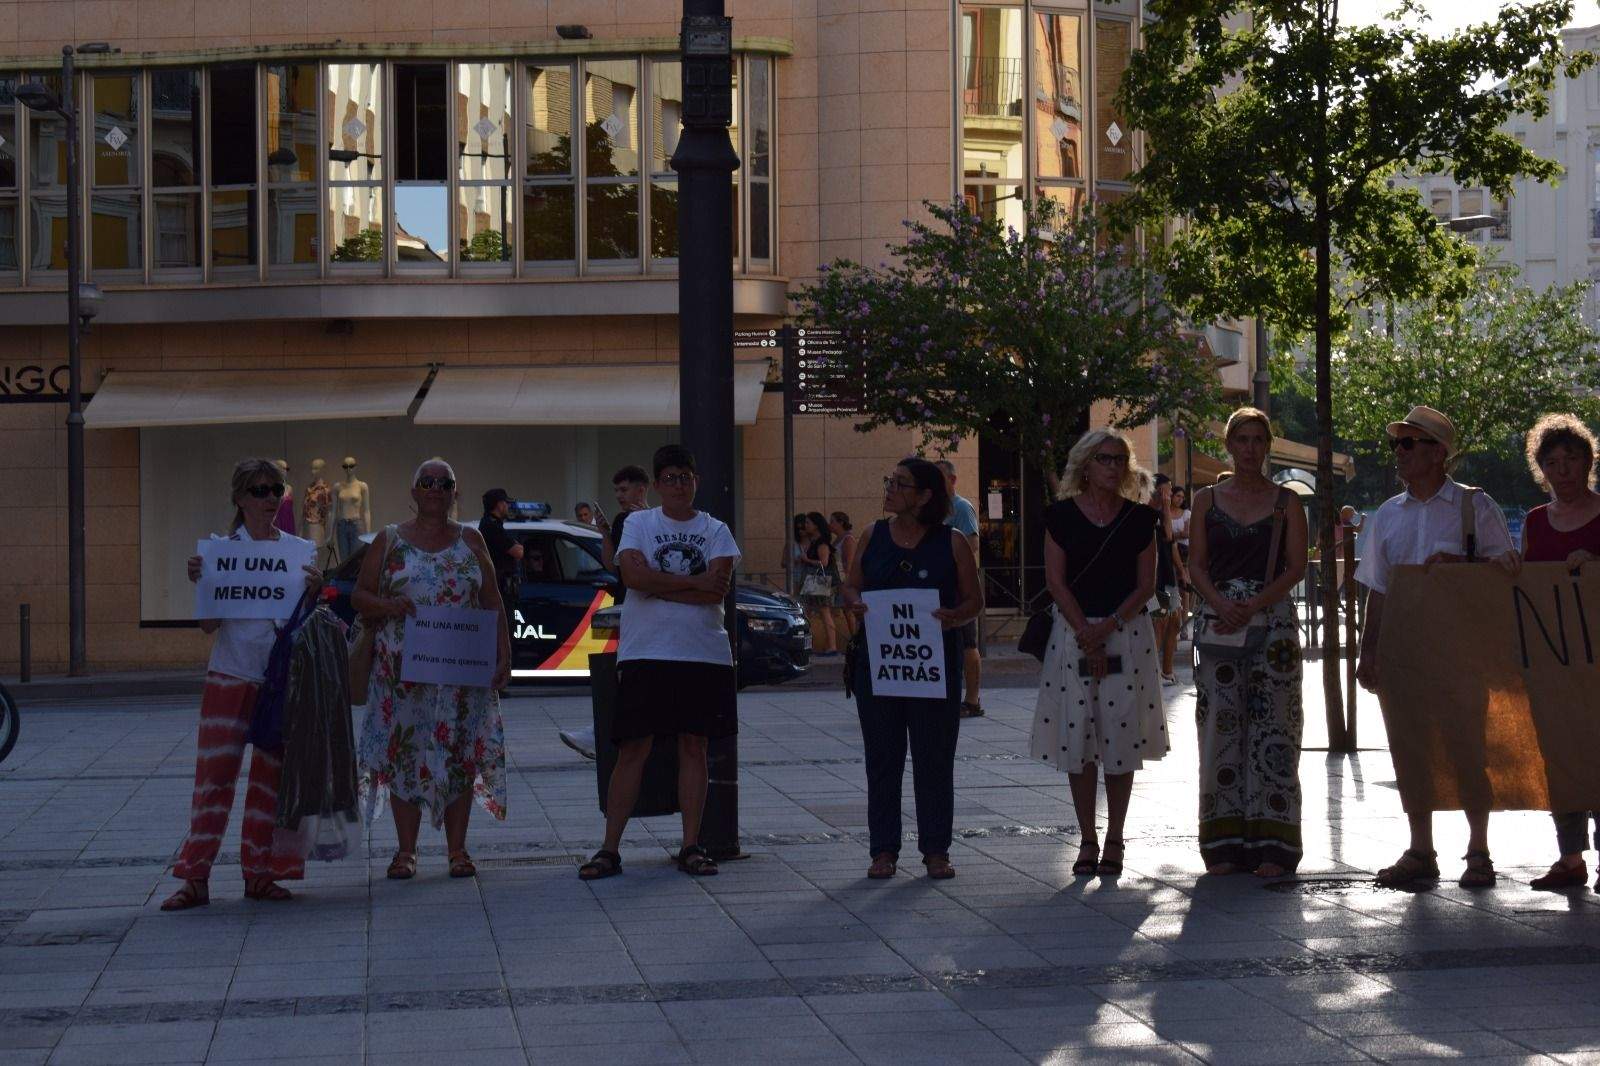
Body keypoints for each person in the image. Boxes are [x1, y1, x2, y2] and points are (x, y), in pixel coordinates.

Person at [1355, 405, 1518, 888]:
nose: (1399, 453)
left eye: (1409, 443)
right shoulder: (1387, 514)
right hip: (1405, 650)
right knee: (1411, 746)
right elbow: (1377, 588)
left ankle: (1479, 850)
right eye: (1397, 444)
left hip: (1461, 650)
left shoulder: (1474, 506)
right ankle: (1420, 849)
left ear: (1438, 453)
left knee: (1470, 747)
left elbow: (1506, 567)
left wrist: (1461, 570)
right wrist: (1368, 651)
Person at [162, 459, 322, 911]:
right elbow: (208, 624)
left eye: (276, 490)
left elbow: (309, 619)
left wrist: (316, 589)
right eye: (259, 491)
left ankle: (261, 873)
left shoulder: (298, 550)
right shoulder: (219, 552)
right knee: (213, 780)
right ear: (240, 498)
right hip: (230, 674)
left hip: (279, 680)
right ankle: (195, 876)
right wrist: (203, 580)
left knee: (270, 783)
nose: (269, 499)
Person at [579, 445, 741, 880]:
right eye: (669, 478)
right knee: (632, 749)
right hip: (646, 651)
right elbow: (633, 578)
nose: (678, 485)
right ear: (657, 484)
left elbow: (716, 591)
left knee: (695, 746)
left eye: (685, 477)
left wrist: (658, 585)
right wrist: (691, 582)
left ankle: (691, 844)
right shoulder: (638, 523)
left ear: (696, 481)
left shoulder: (717, 530)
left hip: (702, 653)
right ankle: (609, 848)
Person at [354, 460, 511, 881]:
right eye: (428, 482)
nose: (436, 489)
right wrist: (390, 607)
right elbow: (360, 596)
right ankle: (406, 852)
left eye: (445, 483)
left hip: (461, 673)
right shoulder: (389, 540)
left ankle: (457, 850)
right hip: (402, 675)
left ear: (456, 492)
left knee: (459, 756)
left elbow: (493, 601)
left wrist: (504, 656)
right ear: (414, 489)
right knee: (405, 756)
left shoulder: (472, 539)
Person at [1029, 430, 1167, 879]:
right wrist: (1085, 628)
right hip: (1074, 634)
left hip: (1125, 633)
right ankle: (1087, 836)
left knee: (1120, 737)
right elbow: (1056, 580)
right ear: (1085, 464)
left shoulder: (1141, 520)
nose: (1113, 467)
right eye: (1104, 458)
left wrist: (1109, 626)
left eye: (1120, 459)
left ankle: (1115, 838)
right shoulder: (1059, 516)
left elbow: (1147, 585)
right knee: (1079, 735)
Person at [844, 458, 983, 880]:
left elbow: (974, 600)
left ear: (924, 496)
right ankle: (883, 851)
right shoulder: (872, 534)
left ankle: (936, 850)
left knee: (934, 760)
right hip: (880, 667)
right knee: (882, 759)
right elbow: (850, 584)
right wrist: (852, 601)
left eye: (900, 484)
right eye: (890, 481)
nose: (889, 489)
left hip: (933, 669)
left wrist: (954, 617)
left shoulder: (952, 541)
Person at [1188, 409, 1309, 878]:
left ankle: (1274, 844)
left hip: (1274, 623)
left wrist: (1256, 601)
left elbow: (1296, 567)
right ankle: (1223, 842)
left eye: (1259, 440)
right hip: (1219, 621)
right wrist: (1220, 602)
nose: (1250, 449)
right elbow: (1196, 564)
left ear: (1268, 445)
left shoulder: (1287, 502)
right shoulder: (1205, 500)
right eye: (1242, 439)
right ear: (1229, 444)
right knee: (1220, 725)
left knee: (1276, 727)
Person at [1518, 414, 1600, 893]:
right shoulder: (1533, 522)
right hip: (1552, 662)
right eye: (1553, 462)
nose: (1563, 470)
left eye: (1571, 460)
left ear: (1589, 461)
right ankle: (1570, 858)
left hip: (1596, 661)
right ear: (1541, 469)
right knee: (1560, 757)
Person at [563, 465, 652, 760]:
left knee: (629, 671)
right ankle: (608, 732)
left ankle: (604, 732)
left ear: (642, 489)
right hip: (639, 605)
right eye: (616, 491)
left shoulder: (638, 520)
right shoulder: (632, 520)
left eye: (624, 490)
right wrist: (605, 533)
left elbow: (619, 568)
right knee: (631, 671)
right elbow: (614, 566)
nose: (619, 496)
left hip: (639, 607)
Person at [936, 460, 984, 718]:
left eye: (939, 477)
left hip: (959, 584)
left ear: (952, 480)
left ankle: (972, 699)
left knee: (967, 641)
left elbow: (973, 543)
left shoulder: (961, 508)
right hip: (940, 582)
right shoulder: (933, 508)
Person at [479, 488, 524, 696]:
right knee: (499, 636)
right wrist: (517, 543)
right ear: (498, 504)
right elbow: (518, 552)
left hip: (502, 588)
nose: (508, 506)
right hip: (498, 589)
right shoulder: (491, 527)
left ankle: (498, 679)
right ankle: (497, 680)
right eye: (505, 503)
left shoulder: (494, 526)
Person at [1150, 474, 1187, 685]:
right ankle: (1152, 671)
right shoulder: (1149, 513)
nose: (1171, 494)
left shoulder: (1163, 514)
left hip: (1168, 574)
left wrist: (1181, 570)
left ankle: (1167, 671)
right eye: (1168, 489)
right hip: (1156, 578)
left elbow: (1171, 542)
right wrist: (1164, 506)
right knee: (1160, 622)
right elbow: (1167, 533)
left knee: (1174, 621)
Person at [797, 512, 841, 656]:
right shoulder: (815, 541)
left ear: (816, 525)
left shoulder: (822, 543)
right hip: (814, 580)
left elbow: (824, 562)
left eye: (809, 523)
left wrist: (807, 560)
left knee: (824, 611)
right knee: (810, 611)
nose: (806, 525)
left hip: (819, 580)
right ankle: (814, 645)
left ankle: (832, 646)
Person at [829, 511, 858, 636]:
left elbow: (850, 563)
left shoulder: (848, 539)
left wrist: (846, 583)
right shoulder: (836, 540)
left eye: (832, 522)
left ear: (841, 523)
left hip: (844, 580)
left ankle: (855, 637)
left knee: (849, 611)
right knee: (843, 610)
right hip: (835, 579)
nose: (830, 525)